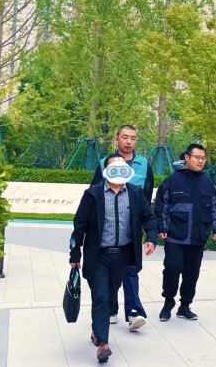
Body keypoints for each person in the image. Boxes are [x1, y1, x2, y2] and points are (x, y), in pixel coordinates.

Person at [70, 154, 157, 363]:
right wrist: (75, 253)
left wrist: (151, 238)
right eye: (114, 167)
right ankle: (103, 344)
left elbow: (148, 217)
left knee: (109, 296)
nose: (119, 170)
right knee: (100, 296)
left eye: (122, 167)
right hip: (98, 256)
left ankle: (96, 330)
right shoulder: (93, 194)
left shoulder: (135, 193)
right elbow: (80, 225)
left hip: (123, 256)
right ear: (105, 171)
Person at [91, 125, 154, 331]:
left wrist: (149, 230)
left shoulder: (144, 165)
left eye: (133, 138)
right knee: (110, 274)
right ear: (116, 139)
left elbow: (146, 196)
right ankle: (111, 309)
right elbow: (94, 194)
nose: (129, 141)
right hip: (107, 232)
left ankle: (134, 311)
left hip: (131, 231)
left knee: (130, 270)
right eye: (125, 137)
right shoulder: (105, 163)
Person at [154, 143, 216, 321]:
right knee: (172, 269)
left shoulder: (207, 182)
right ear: (186, 157)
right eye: (197, 157)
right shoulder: (172, 180)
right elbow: (161, 205)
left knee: (192, 273)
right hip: (175, 235)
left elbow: (214, 206)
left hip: (198, 236)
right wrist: (161, 227)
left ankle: (185, 306)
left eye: (203, 158)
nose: (200, 161)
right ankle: (168, 302)